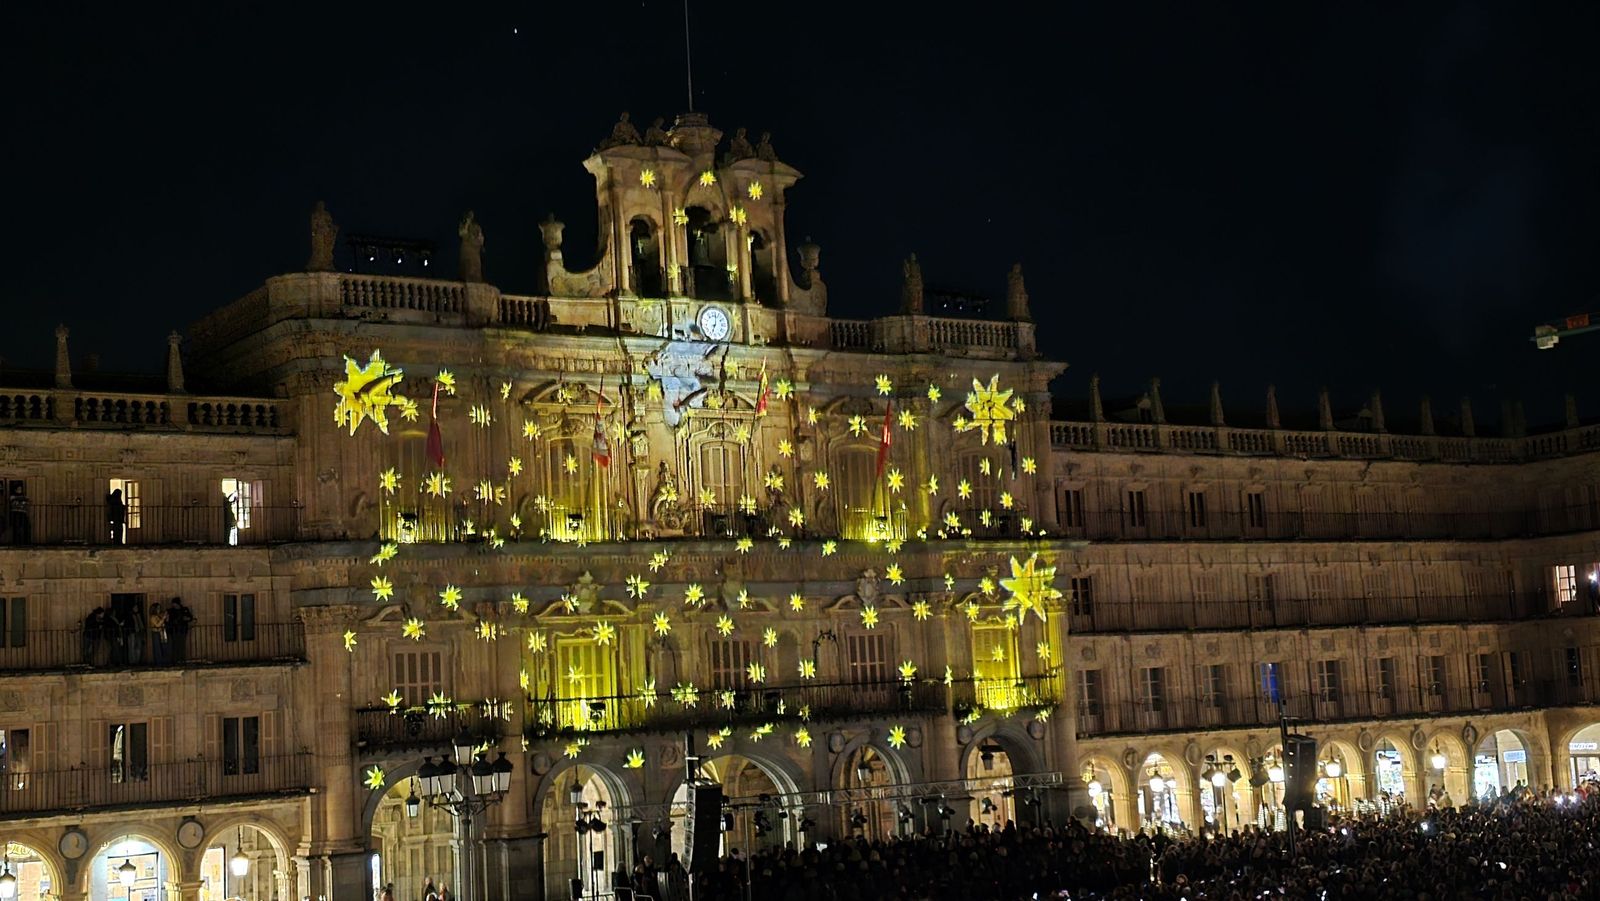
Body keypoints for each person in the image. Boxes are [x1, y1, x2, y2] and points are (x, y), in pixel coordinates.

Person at [167, 597, 194, 663]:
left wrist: (186, 618)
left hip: (183, 630)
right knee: (175, 645)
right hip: (174, 630)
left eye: (175, 604)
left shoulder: (184, 609)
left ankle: (182, 659)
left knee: (182, 645)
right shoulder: (170, 611)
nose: (174, 605)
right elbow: (168, 620)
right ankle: (175, 660)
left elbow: (190, 617)